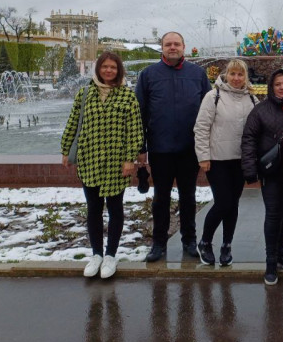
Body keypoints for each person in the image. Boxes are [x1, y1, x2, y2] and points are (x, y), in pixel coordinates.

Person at [61, 51, 143, 279]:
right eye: (105, 66)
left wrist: (130, 158)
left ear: (119, 71)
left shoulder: (127, 96)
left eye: (113, 67)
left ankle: (110, 255)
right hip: (90, 158)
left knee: (115, 209)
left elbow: (135, 130)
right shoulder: (85, 93)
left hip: (116, 162)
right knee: (94, 209)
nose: (109, 70)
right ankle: (96, 254)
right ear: (98, 69)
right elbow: (73, 122)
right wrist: (66, 149)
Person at [136, 32, 211, 262]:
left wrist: (207, 146)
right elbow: (140, 113)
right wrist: (141, 148)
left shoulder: (197, 74)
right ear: (162, 47)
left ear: (184, 47)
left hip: (190, 148)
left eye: (176, 44)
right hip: (160, 149)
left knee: (188, 196)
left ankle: (189, 240)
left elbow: (209, 111)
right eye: (168, 44)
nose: (172, 47)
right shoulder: (148, 75)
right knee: (161, 198)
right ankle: (159, 243)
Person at [241, 69, 283, 285]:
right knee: (274, 214)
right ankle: (270, 261)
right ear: (271, 87)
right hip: (272, 173)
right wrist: (250, 169)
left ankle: (281, 252)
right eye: (277, 84)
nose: (282, 87)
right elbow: (249, 139)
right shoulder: (260, 111)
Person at [194, 59, 257, 266]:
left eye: (240, 74)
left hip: (240, 160)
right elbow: (201, 128)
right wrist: (203, 156)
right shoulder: (213, 96)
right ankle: (205, 242)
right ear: (226, 75)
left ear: (245, 77)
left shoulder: (252, 98)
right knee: (223, 203)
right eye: (233, 74)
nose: (236, 78)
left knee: (233, 204)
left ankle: (226, 245)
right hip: (217, 160)